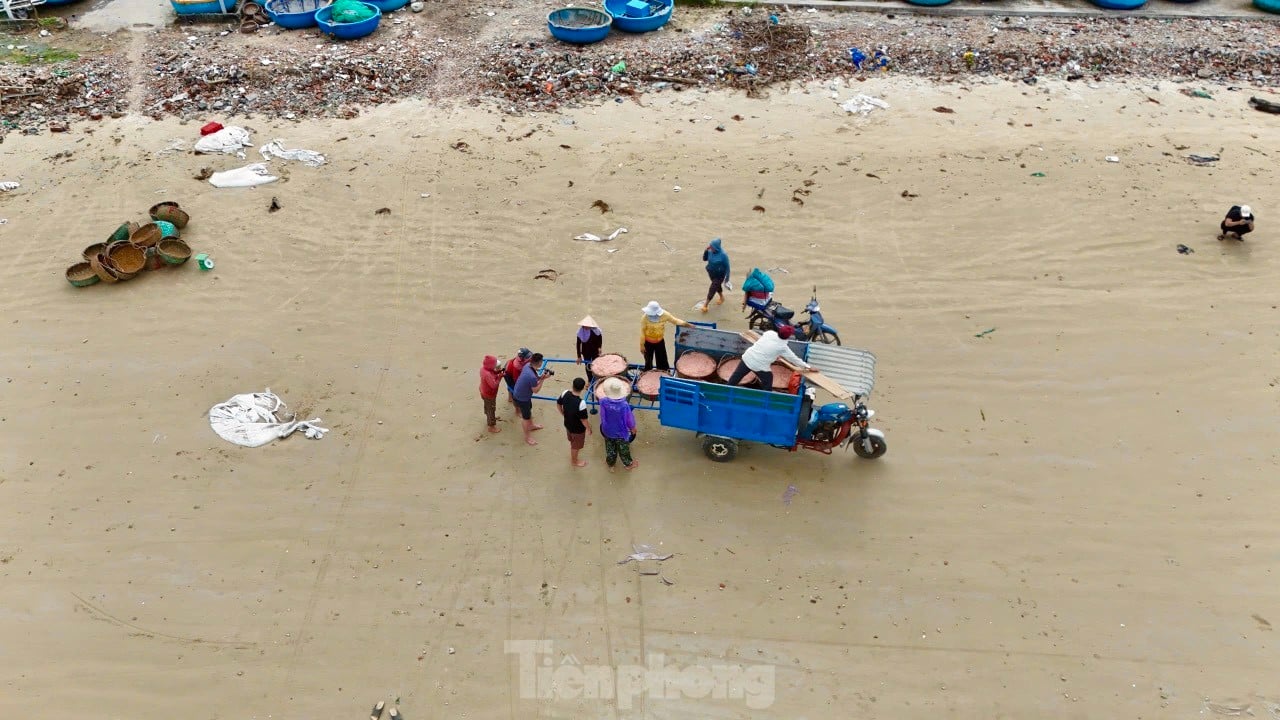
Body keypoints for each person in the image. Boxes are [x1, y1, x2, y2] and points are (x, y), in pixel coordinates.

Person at [728, 325, 811, 391]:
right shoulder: (783, 347)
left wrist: (775, 354)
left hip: (747, 357)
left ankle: (726, 389)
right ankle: (766, 396)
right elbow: (794, 359)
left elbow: (767, 345)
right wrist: (808, 367)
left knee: (735, 377)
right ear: (788, 337)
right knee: (768, 380)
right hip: (759, 366)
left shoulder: (769, 333)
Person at [597, 377, 638, 471]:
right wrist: (633, 428)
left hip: (607, 430)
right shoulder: (624, 405)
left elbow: (602, 414)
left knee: (610, 448)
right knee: (623, 449)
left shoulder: (603, 401)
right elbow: (629, 420)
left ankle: (611, 464)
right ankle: (628, 464)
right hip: (620, 432)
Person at [640, 301, 691, 372]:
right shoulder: (644, 318)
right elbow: (642, 332)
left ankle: (664, 373)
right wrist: (642, 345)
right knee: (648, 360)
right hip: (648, 343)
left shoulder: (665, 315)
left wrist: (687, 324)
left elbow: (675, 321)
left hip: (659, 342)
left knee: (662, 361)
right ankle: (647, 373)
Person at [512, 352, 551, 446]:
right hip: (522, 398)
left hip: (521, 394)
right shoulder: (531, 376)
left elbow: (534, 379)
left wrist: (541, 377)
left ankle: (532, 425)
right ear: (539, 363)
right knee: (525, 418)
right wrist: (542, 380)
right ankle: (527, 437)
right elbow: (536, 390)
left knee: (528, 411)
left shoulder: (527, 366)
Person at [557, 377, 592, 467]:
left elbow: (558, 404)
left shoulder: (565, 393)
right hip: (578, 429)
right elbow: (583, 419)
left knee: (571, 439)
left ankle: (573, 445)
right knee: (575, 447)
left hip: (567, 424)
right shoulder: (581, 403)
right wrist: (588, 429)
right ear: (583, 388)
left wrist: (563, 413)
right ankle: (574, 461)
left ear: (572, 385)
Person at [701, 238, 731, 313]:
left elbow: (728, 268)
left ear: (717, 247)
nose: (711, 248)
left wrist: (727, 279)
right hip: (711, 273)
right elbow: (704, 259)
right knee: (716, 286)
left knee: (712, 288)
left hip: (720, 275)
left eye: (712, 247)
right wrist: (706, 250)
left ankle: (705, 305)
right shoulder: (710, 251)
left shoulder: (723, 255)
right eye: (710, 247)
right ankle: (722, 297)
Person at [478, 354, 504, 434]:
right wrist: (500, 377)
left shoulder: (483, 369)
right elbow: (494, 385)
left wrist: (498, 372)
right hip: (489, 395)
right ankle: (491, 426)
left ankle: (489, 417)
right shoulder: (487, 374)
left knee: (488, 407)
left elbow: (493, 373)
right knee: (491, 409)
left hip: (483, 391)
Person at [575, 315, 603, 382]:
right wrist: (579, 356)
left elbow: (600, 339)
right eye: (585, 325)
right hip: (586, 351)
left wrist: (599, 347)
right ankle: (590, 380)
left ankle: (596, 379)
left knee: (595, 365)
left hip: (595, 351)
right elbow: (578, 344)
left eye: (588, 325)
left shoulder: (596, 331)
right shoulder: (580, 332)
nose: (586, 327)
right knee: (588, 366)